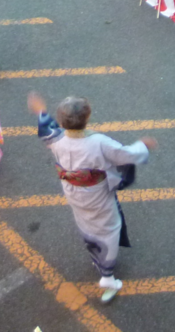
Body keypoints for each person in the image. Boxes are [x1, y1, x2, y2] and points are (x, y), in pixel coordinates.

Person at [29, 92, 155, 303]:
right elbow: (126, 155)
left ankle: (95, 257)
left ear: (61, 122)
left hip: (73, 191)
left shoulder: (57, 139)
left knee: (86, 224)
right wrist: (143, 145)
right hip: (97, 195)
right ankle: (107, 276)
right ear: (87, 118)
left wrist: (41, 110)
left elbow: (45, 130)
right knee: (107, 229)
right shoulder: (98, 142)